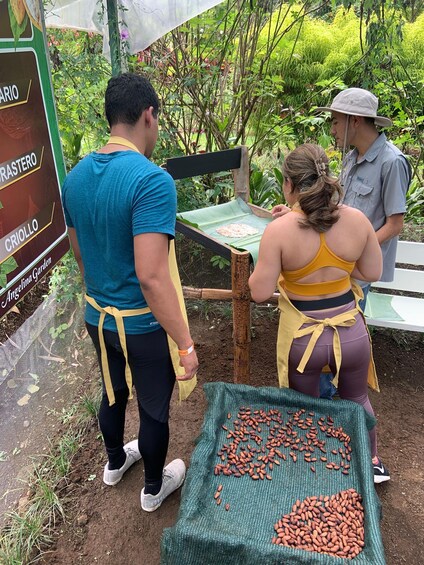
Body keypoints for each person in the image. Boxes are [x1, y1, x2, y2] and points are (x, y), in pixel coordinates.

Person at [62, 72, 199, 512]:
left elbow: (80, 253)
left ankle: (116, 461)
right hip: (140, 324)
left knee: (112, 391)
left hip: (96, 315)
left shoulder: (76, 177)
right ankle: (155, 488)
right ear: (148, 116)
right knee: (155, 405)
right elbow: (152, 278)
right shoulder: (151, 181)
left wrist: (102, 291)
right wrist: (185, 342)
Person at [249, 143, 390, 483]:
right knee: (357, 397)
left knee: (305, 408)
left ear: (289, 184)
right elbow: (372, 271)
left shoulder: (278, 232)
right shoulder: (356, 220)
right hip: (351, 331)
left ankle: (310, 468)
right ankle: (371, 462)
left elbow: (259, 292)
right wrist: (334, 267)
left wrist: (274, 251)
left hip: (305, 339)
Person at [273, 88, 411, 399]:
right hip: (333, 261)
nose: (332, 129)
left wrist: (352, 250)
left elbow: (395, 223)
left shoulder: (391, 163)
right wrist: (297, 211)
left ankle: (334, 409)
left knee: (340, 339)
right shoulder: (351, 158)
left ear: (356, 121)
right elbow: (334, 209)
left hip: (358, 268)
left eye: (336, 121)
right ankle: (325, 402)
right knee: (321, 342)